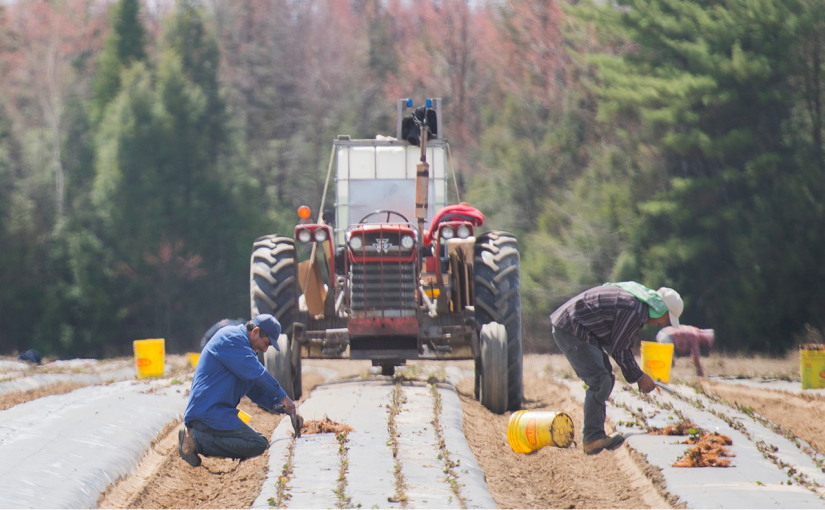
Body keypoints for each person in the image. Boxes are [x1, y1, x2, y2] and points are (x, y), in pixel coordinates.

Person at [550, 282, 683, 456]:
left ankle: (595, 434)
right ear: (660, 309)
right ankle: (592, 437)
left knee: (605, 376)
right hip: (572, 328)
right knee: (599, 380)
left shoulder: (636, 302)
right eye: (667, 318)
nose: (663, 324)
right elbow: (620, 349)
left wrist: (637, 374)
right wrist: (639, 377)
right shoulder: (634, 310)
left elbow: (620, 344)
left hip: (577, 327)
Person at [178, 314, 301, 467]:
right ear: (255, 331)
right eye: (266, 343)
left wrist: (287, 409)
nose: (265, 349)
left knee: (258, 442)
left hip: (219, 413)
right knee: (257, 444)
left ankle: (199, 438)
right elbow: (258, 373)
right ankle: (194, 440)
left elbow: (257, 393)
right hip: (206, 412)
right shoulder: (231, 338)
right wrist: (284, 397)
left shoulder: (245, 351)